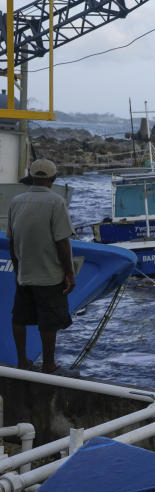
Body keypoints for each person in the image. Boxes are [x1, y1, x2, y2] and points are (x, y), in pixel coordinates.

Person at [8, 159, 75, 373]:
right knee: (49, 321)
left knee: (19, 317)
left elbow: (12, 240)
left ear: (31, 176)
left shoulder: (16, 201)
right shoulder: (57, 202)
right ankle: (49, 365)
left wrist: (18, 269)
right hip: (49, 273)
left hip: (25, 272)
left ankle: (21, 361)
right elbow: (62, 242)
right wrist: (69, 273)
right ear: (53, 179)